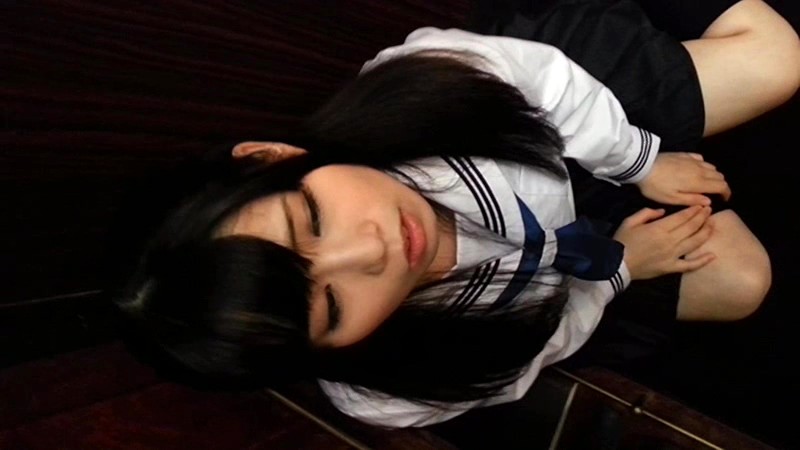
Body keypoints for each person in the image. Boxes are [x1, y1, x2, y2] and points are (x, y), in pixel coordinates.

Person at [114, 0, 798, 428]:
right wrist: (619, 271)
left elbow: (552, 87)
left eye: (312, 222)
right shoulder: (391, 391)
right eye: (331, 307)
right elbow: (534, 348)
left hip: (544, 127)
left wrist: (639, 162)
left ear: (271, 159)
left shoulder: (427, 84)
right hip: (570, 250)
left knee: (778, 60)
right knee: (745, 281)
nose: (374, 251)